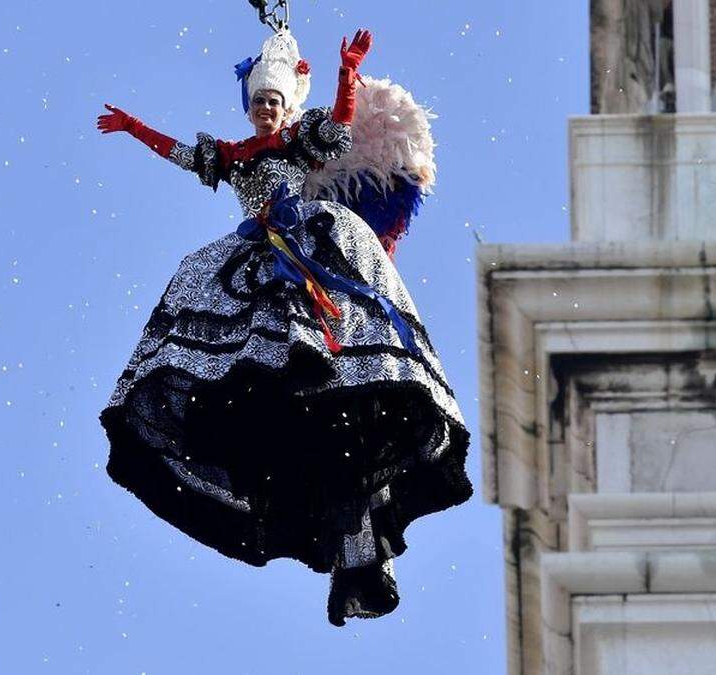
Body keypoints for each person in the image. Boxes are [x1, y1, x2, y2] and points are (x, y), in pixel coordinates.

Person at [95, 26, 472, 627]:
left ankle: (323, 367)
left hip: (311, 241)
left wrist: (347, 70)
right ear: (248, 110)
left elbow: (343, 124)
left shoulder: (302, 142)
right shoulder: (234, 156)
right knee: (212, 286)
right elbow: (177, 151)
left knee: (330, 291)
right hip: (260, 252)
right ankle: (275, 378)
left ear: (286, 105)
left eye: (275, 102)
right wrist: (132, 127)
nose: (267, 111)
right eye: (259, 104)